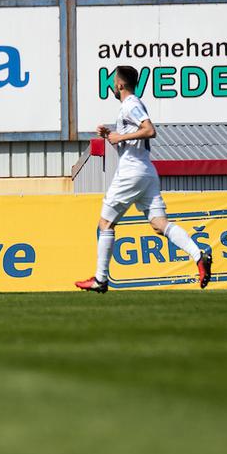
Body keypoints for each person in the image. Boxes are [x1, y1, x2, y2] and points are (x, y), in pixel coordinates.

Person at [75, 65, 212, 293]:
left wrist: (119, 136)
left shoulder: (131, 104)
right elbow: (133, 136)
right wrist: (111, 135)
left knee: (105, 223)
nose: (112, 86)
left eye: (113, 83)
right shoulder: (130, 107)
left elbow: (149, 130)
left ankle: (100, 279)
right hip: (146, 171)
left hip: (131, 172)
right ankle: (199, 255)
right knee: (159, 225)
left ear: (120, 85)